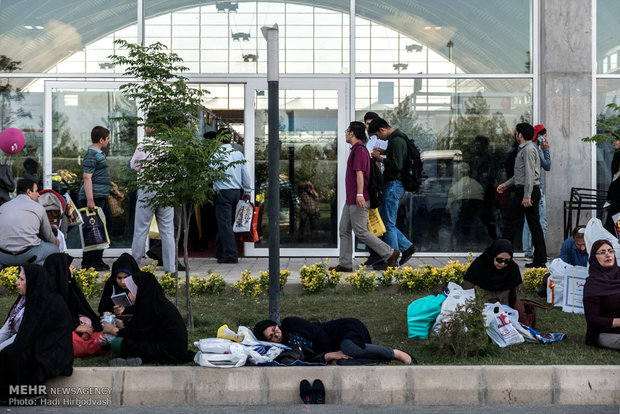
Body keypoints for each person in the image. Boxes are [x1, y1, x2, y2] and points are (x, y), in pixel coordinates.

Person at [328, 122, 400, 272]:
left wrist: (360, 194)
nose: (346, 134)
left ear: (352, 133)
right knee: (344, 229)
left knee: (360, 231)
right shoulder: (356, 149)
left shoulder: (360, 150)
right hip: (351, 199)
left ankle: (390, 253)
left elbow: (360, 173)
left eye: (347, 131)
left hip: (358, 198)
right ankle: (346, 263)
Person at [0, 264, 73, 402]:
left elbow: (24, 335)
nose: (17, 282)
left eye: (21, 279)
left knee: (12, 355)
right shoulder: (23, 299)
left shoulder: (46, 301)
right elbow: (8, 328)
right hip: (32, 341)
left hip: (52, 350)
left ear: (32, 282)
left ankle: (27, 395)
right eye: (18, 278)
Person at [101, 267, 195, 365]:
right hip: (167, 348)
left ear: (140, 290)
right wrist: (120, 323)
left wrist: (113, 330)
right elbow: (141, 328)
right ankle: (134, 359)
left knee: (117, 343)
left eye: (131, 291)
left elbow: (138, 333)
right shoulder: (155, 303)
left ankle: (135, 358)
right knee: (125, 341)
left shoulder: (151, 307)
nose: (129, 295)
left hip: (166, 352)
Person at [253, 317, 413, 365]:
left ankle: (395, 353)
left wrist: (330, 353)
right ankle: (385, 360)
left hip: (343, 331)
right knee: (342, 364)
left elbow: (319, 334)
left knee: (349, 348)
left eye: (274, 330)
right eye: (271, 337)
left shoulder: (289, 323)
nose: (276, 334)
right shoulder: (285, 350)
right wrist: (328, 358)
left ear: (276, 325)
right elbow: (309, 359)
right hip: (335, 350)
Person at [497, 123, 548, 268]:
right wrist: (506, 185)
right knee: (534, 225)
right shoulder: (526, 149)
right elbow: (521, 174)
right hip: (526, 190)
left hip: (527, 191)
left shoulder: (528, 150)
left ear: (520, 134)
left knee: (510, 222)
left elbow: (530, 174)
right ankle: (540, 260)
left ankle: (503, 257)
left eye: (516, 132)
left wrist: (527, 195)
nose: (515, 135)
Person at [367, 118, 417, 266]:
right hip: (394, 184)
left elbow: (396, 165)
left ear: (382, 130)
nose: (378, 139)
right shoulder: (398, 138)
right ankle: (407, 247)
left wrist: (379, 157)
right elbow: (398, 155)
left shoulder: (395, 140)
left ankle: (392, 259)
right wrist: (385, 151)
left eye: (377, 135)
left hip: (394, 184)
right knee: (385, 221)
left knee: (388, 223)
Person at [130, 119, 176, 274]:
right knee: (168, 231)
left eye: (147, 125)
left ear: (153, 127)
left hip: (148, 188)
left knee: (141, 229)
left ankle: (134, 266)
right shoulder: (170, 145)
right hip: (166, 190)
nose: (144, 127)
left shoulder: (145, 144)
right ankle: (170, 268)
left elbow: (134, 165)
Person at [44, 253, 108, 357]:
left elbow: (80, 310)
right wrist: (74, 327)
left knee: (101, 335)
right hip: (60, 334)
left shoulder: (69, 286)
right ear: (60, 269)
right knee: (70, 343)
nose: (73, 267)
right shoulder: (46, 295)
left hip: (75, 328)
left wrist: (85, 326)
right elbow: (50, 323)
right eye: (69, 265)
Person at [213, 128, 252, 264]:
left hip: (223, 192)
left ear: (218, 139)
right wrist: (247, 191)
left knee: (224, 224)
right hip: (236, 192)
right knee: (226, 223)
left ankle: (231, 255)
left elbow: (208, 174)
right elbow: (245, 175)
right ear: (230, 139)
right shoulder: (237, 154)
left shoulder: (215, 155)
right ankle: (219, 252)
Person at [0, 178, 59, 266]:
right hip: (28, 256)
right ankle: (37, 274)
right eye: (36, 191)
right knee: (54, 249)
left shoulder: (3, 207)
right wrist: (56, 241)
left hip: (4, 256)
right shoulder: (39, 208)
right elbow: (48, 236)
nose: (39, 195)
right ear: (28, 192)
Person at [79, 126, 111, 271]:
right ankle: (89, 262)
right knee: (92, 229)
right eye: (107, 138)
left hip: (100, 196)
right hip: (94, 197)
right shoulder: (92, 154)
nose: (109, 141)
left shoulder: (98, 153)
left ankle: (98, 260)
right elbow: (87, 177)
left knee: (100, 229)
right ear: (101, 140)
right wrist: (90, 199)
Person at [461, 239, 523, 309]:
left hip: (504, 310)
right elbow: (467, 290)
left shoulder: (512, 268)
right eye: (499, 260)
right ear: (493, 255)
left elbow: (514, 295)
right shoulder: (479, 265)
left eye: (507, 261)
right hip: (481, 309)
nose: (503, 264)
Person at [583, 239, 620, 350]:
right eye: (602, 252)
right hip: (604, 332)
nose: (608, 255)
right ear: (594, 258)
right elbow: (592, 319)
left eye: (610, 251)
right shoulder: (592, 284)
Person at [522, 124, 551, 258]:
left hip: (531, 187)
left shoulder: (530, 148)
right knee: (541, 222)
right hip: (536, 188)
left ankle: (529, 249)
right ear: (539, 136)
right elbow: (547, 165)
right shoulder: (536, 149)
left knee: (530, 220)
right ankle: (537, 252)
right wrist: (546, 149)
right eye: (544, 136)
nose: (546, 139)